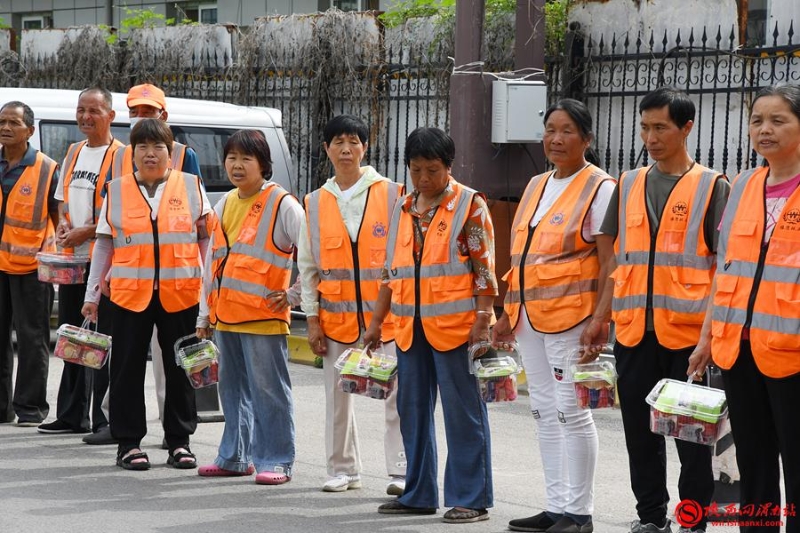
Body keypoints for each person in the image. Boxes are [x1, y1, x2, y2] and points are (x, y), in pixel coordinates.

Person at [587, 87, 730, 533]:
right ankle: (650, 517)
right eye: (645, 127)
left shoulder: (712, 186)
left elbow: (725, 269)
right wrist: (599, 319)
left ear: (685, 128)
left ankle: (692, 521)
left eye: (660, 127)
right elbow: (614, 260)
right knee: (640, 436)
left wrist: (710, 339)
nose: (650, 136)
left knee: (691, 439)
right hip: (632, 334)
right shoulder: (627, 183)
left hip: (689, 338)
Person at [492, 99, 615, 533]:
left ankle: (579, 514)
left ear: (587, 138)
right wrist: (508, 309)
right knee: (543, 410)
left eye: (567, 131)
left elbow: (609, 263)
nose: (556, 139)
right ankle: (556, 504)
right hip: (528, 316)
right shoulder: (536, 184)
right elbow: (522, 255)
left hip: (573, 317)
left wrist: (601, 319)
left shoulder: (600, 187)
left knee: (572, 411)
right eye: (550, 130)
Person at [364, 127, 496, 524]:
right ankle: (418, 493)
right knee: (412, 411)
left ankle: (471, 498)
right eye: (416, 170)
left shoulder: (470, 205)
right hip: (409, 331)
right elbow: (391, 271)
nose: (424, 179)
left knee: (463, 414)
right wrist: (375, 323)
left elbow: (484, 271)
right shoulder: (402, 207)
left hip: (456, 329)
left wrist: (483, 321)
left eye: (433, 171)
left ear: (449, 167)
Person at [687, 83, 800, 533]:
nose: (764, 130)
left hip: (793, 355)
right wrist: (706, 338)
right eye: (757, 120)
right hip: (740, 351)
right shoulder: (743, 185)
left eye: (778, 120)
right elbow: (726, 271)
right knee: (752, 464)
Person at [81, 118, 211, 471]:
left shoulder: (191, 186)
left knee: (181, 368)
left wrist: (207, 291)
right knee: (126, 369)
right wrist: (93, 294)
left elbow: (206, 240)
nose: (150, 154)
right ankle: (128, 443)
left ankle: (179, 442)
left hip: (181, 291)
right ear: (132, 153)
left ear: (171, 154)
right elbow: (104, 245)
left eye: (158, 148)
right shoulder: (117, 189)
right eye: (143, 148)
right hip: (128, 294)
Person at [297, 115, 407, 495]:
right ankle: (343, 469)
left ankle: (400, 471)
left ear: (365, 147)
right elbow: (308, 269)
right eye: (337, 142)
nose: (346, 149)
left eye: (353, 141)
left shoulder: (393, 193)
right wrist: (311, 320)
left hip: (389, 319)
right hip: (336, 320)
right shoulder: (314, 202)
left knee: (396, 398)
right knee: (338, 398)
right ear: (326, 149)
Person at [195, 129, 302, 485]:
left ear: (263, 164)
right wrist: (204, 315)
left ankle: (277, 459)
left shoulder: (282, 203)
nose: (237, 166)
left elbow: (314, 256)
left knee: (269, 392)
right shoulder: (225, 203)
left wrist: (295, 295)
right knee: (232, 390)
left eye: (246, 159)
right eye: (231, 158)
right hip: (226, 317)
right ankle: (234, 457)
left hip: (263, 319)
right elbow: (212, 263)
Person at [37, 87, 123, 435]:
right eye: (81, 110)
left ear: (111, 116)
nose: (85, 117)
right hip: (72, 260)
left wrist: (84, 233)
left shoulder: (121, 155)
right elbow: (60, 200)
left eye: (94, 110)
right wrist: (64, 228)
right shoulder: (73, 152)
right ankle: (72, 414)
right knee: (72, 336)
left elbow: (117, 213)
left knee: (101, 341)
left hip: (103, 262)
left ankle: (103, 418)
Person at [0, 101, 59, 426]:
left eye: (13, 123)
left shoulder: (47, 169)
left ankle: (30, 408)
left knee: (32, 338)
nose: (6, 128)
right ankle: (1, 408)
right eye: (2, 122)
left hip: (31, 268)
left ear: (30, 131)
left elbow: (59, 219)